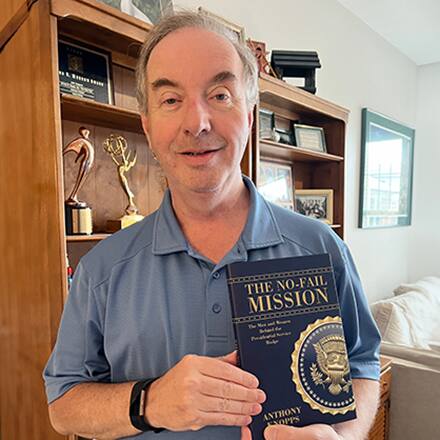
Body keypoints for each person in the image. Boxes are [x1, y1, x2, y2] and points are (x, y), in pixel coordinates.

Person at [44, 11, 381, 440]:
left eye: (220, 95)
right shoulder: (101, 271)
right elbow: (63, 405)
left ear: (250, 113)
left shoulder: (321, 246)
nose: (197, 123)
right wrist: (151, 401)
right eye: (170, 100)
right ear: (147, 125)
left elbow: (362, 365)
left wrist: (344, 437)